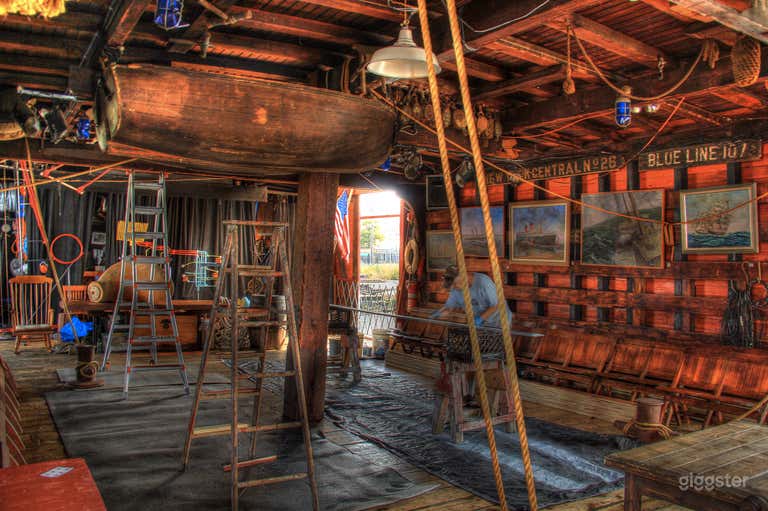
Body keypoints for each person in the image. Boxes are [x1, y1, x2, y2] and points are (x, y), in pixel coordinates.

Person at [431, 265, 513, 328]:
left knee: (496, 348)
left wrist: (479, 319)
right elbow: (450, 306)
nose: (455, 288)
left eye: (456, 284)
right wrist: (438, 314)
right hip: (481, 323)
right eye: (453, 286)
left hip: (499, 322)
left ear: (462, 275)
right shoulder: (456, 289)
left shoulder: (484, 282)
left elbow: (496, 305)